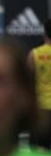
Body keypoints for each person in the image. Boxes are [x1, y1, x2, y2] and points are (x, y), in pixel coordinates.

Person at [28, 18, 51, 149]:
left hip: (42, 109)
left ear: (45, 33)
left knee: (40, 150)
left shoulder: (34, 54)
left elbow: (27, 83)